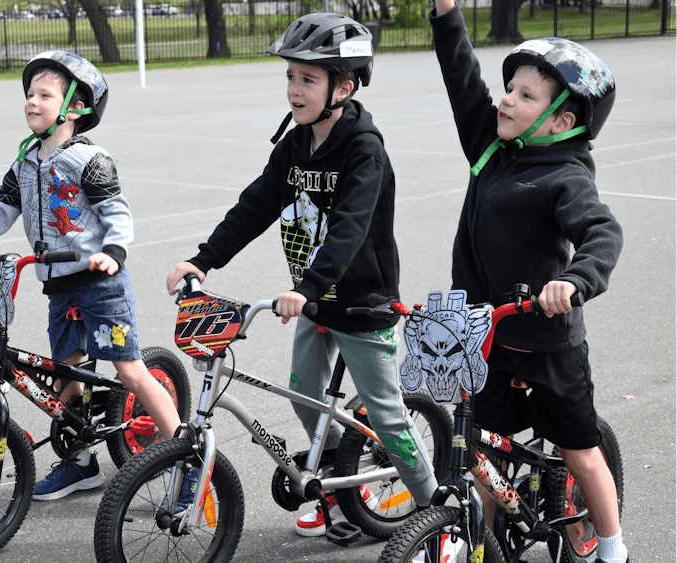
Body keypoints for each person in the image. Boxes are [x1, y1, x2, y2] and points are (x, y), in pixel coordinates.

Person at [165, 13, 438, 537]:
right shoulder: (295, 144)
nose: (294, 89)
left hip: (359, 305)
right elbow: (256, 206)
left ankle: (438, 512)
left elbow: (351, 229)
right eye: (290, 76)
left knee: (386, 416)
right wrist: (204, 259)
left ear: (345, 85)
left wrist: (307, 287)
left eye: (308, 79)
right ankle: (338, 488)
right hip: (313, 301)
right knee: (304, 395)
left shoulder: (364, 149)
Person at [0, 50, 181, 501]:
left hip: (100, 282)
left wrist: (113, 251)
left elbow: (117, 213)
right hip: (58, 285)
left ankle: (184, 457)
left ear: (74, 107)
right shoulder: (27, 159)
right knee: (69, 377)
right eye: (29, 93)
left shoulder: (89, 159)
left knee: (129, 371)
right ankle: (80, 462)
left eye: (44, 94)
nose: (32, 101)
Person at [430, 2, 627, 562]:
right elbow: (461, 77)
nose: (506, 100)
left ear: (562, 121)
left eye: (525, 96)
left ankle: (612, 548)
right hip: (486, 337)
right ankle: (480, 547)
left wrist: (575, 279)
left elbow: (601, 233)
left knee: (581, 449)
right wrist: (446, 14)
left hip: (546, 343)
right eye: (509, 88)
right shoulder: (490, 148)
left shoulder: (566, 177)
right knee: (482, 454)